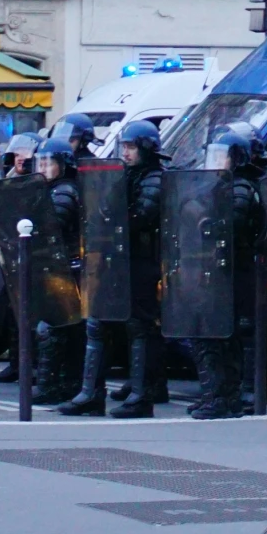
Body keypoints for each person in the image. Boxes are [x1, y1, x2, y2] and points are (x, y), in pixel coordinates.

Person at [190, 125, 266, 421]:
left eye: (222, 155)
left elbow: (230, 225)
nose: (216, 160)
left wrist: (205, 225)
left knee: (222, 335)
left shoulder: (241, 188)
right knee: (218, 335)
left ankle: (223, 398)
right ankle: (219, 395)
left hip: (234, 272)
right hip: (220, 270)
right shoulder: (222, 185)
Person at [104, 116, 165, 419]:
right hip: (133, 260)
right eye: (124, 146)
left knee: (141, 326)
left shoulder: (153, 177)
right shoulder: (133, 175)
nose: (125, 153)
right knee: (135, 326)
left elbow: (141, 216)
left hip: (145, 261)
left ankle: (142, 395)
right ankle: (142, 385)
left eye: (130, 147)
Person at [30, 131, 85, 407]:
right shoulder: (49, 189)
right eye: (40, 162)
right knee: (61, 328)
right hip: (58, 266)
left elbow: (54, 222)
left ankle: (55, 384)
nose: (43, 168)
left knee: (55, 327)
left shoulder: (64, 190)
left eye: (49, 163)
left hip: (68, 267)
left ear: (63, 165)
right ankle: (62, 383)